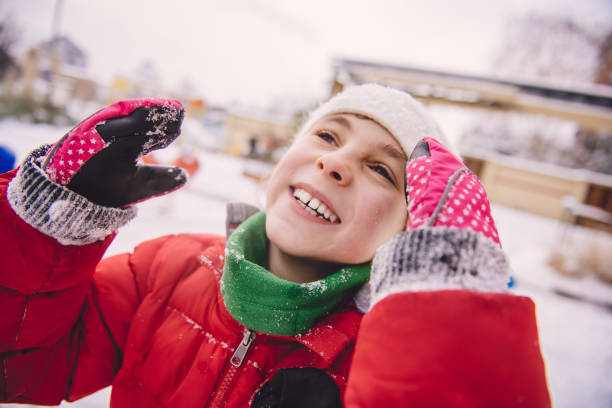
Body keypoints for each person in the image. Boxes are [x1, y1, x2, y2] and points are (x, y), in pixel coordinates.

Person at [0, 85, 551, 407]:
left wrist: (448, 317)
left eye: (381, 169)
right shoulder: (163, 269)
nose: (335, 163)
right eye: (328, 136)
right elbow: (24, 366)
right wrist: (50, 225)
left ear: (410, 231)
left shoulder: (386, 360)